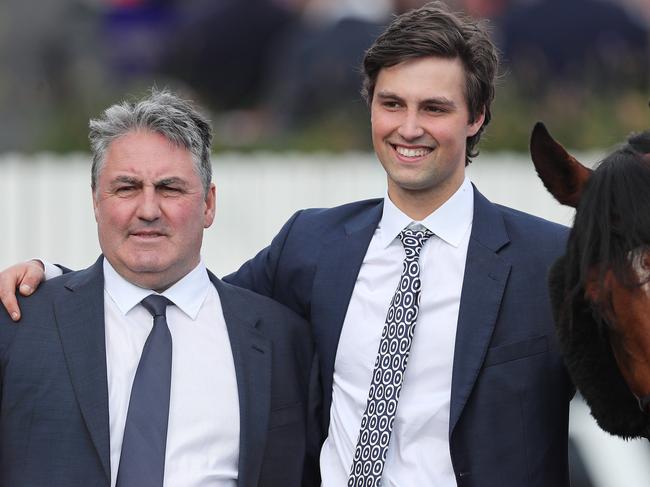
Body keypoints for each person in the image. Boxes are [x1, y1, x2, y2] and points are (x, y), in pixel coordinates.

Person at [0, 2, 573, 485]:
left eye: (435, 108)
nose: (409, 127)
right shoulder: (313, 244)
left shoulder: (550, 260)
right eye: (392, 103)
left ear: (477, 116)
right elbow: (191, 304)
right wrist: (58, 281)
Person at [0, 90, 319, 487]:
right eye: (127, 188)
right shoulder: (19, 321)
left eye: (169, 188)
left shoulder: (283, 342)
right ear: (96, 203)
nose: (148, 210)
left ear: (208, 205)